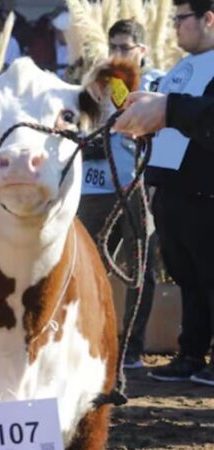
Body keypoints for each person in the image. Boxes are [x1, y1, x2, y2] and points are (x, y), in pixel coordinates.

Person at [113, 0, 214, 386]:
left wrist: (168, 110)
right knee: (187, 276)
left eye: (181, 19)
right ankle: (191, 353)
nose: (174, 27)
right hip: (171, 188)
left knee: (210, 276)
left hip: (206, 191)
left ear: (208, 18)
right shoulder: (179, 68)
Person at [78, 19, 162, 370]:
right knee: (87, 264)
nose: (117, 54)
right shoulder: (97, 81)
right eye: (113, 47)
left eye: (125, 48)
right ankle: (89, 338)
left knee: (139, 267)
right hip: (95, 184)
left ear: (142, 50)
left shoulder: (158, 82)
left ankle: (131, 345)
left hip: (138, 186)